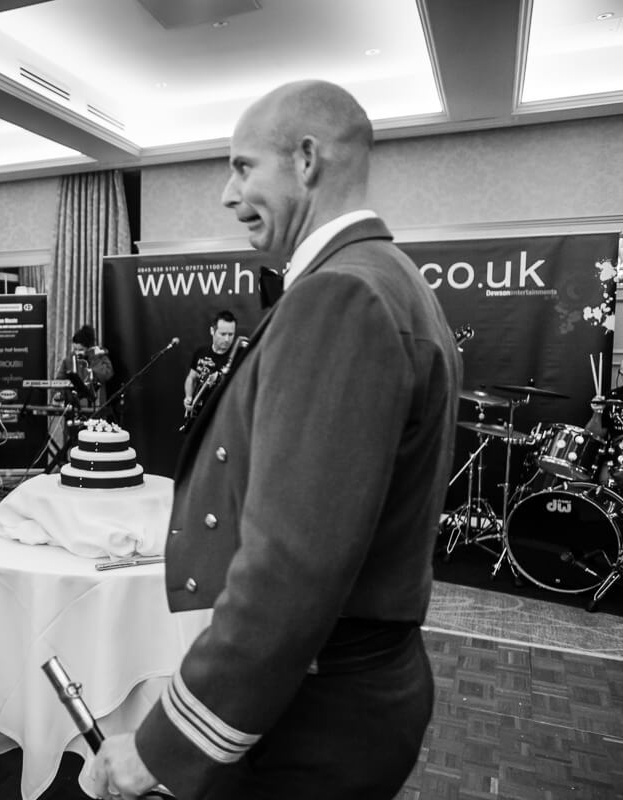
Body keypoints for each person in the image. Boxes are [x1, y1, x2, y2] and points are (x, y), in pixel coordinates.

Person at [87, 80, 460, 800]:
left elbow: (291, 566)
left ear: (307, 159)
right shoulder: (388, 277)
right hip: (350, 690)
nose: (228, 194)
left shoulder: (339, 294)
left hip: (315, 709)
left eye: (242, 166)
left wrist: (167, 744)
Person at [182, 310, 244, 422]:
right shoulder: (200, 352)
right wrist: (188, 397)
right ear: (212, 331)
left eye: (231, 334)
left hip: (225, 418)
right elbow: (191, 377)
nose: (227, 339)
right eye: (223, 334)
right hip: (199, 416)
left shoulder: (239, 356)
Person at [58, 323, 115, 412]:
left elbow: (106, 374)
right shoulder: (69, 359)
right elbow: (60, 379)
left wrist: (94, 358)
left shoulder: (99, 356)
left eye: (80, 350)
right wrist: (61, 393)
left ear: (89, 348)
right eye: (75, 349)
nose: (77, 353)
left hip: (95, 406)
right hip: (73, 407)